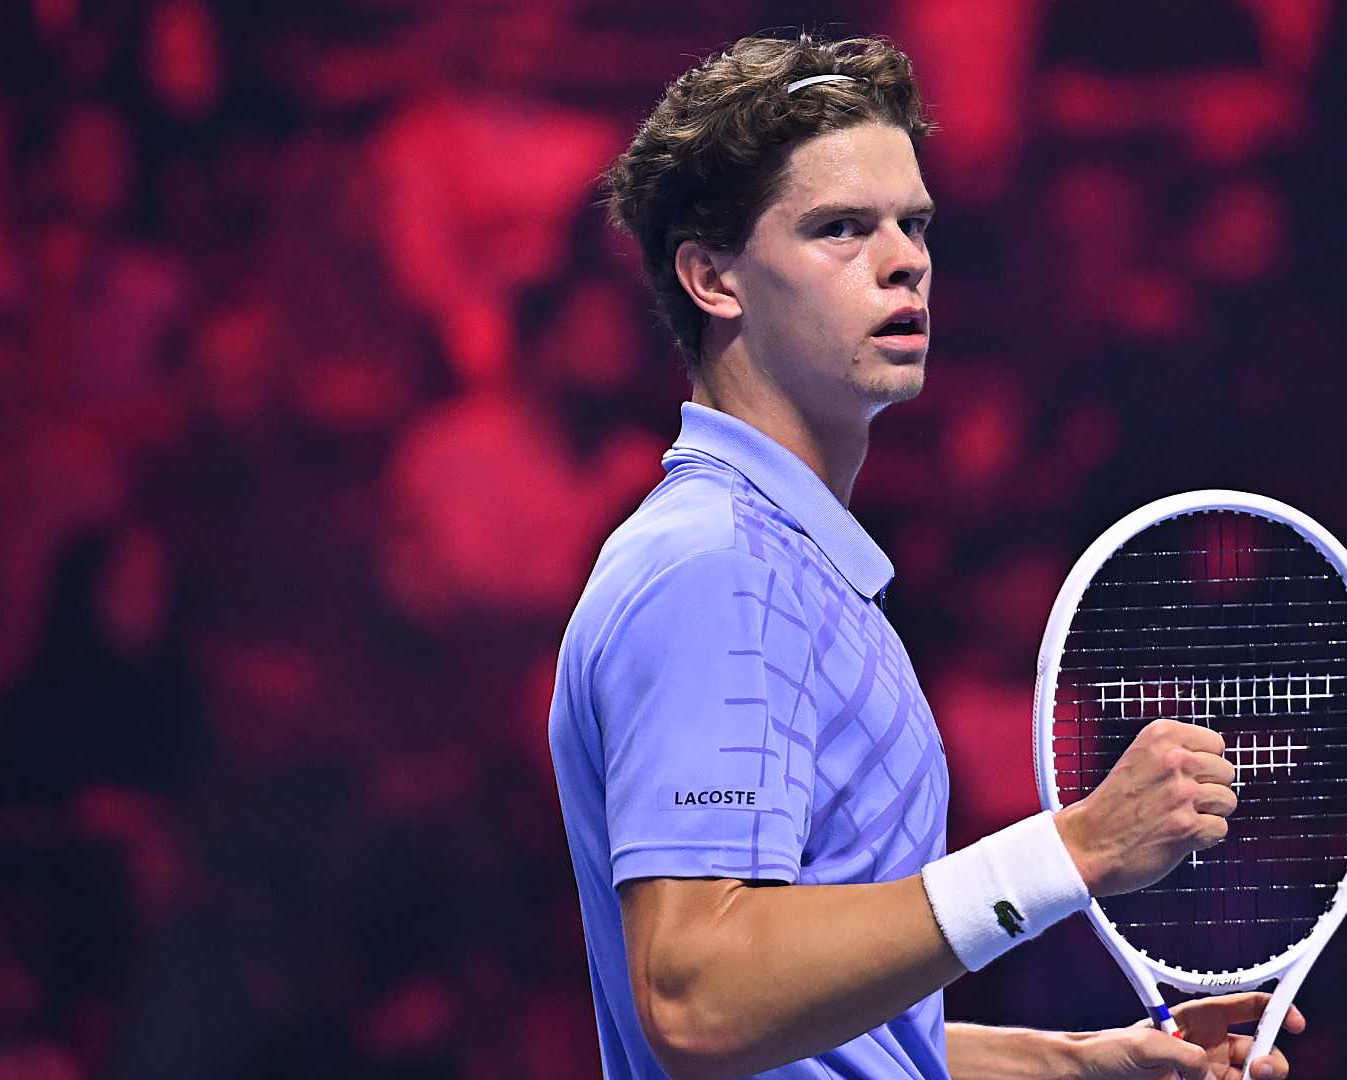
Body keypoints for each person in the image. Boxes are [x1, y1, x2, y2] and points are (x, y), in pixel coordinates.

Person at [547, 33, 1299, 1080]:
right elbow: (697, 996)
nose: (904, 259)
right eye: (841, 228)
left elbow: (819, 1033)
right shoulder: (717, 571)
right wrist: (1072, 849)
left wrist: (1081, 1063)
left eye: (914, 224)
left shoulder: (786, 566)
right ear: (713, 278)